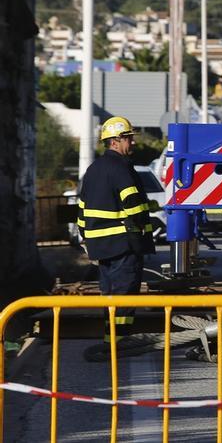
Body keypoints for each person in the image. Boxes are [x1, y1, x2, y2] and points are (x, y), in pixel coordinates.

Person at [78, 116, 156, 344]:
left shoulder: (92, 170)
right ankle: (120, 340)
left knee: (109, 294)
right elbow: (134, 206)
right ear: (115, 141)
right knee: (125, 293)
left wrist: (86, 237)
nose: (132, 143)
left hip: (100, 247)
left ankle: (109, 338)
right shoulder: (122, 168)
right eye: (129, 138)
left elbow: (82, 210)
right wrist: (142, 225)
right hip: (123, 244)